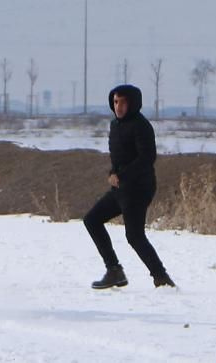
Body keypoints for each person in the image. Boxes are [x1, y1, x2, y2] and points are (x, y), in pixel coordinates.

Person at [83, 84, 175, 289]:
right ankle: (114, 271)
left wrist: (121, 176)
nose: (119, 106)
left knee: (134, 236)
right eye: (116, 102)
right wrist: (112, 174)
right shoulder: (116, 125)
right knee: (92, 220)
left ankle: (162, 279)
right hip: (121, 188)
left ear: (133, 104)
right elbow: (119, 158)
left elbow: (147, 158)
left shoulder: (140, 125)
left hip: (138, 188)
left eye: (124, 102)